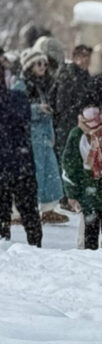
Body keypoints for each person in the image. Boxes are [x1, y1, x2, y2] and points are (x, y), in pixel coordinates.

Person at [13, 48, 66, 224]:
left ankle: (48, 208)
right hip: (27, 138)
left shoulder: (42, 85)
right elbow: (15, 111)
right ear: (29, 66)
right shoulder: (21, 85)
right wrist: (36, 110)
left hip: (42, 137)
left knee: (50, 173)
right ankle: (18, 212)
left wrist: (51, 135)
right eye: (38, 63)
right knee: (29, 176)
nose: (43, 67)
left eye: (44, 63)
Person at [61, 96, 102, 249]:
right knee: (89, 234)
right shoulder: (77, 134)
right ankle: (90, 264)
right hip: (89, 192)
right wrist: (72, 193)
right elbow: (70, 165)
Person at [0, 69, 42, 246]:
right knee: (27, 210)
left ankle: (6, 243)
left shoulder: (17, 98)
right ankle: (35, 245)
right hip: (21, 162)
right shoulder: (18, 98)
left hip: (14, 162)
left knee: (7, 211)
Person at [51, 44, 92, 156]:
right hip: (67, 125)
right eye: (82, 56)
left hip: (80, 126)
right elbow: (62, 105)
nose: (86, 60)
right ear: (74, 58)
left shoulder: (86, 77)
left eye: (88, 56)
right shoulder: (68, 75)